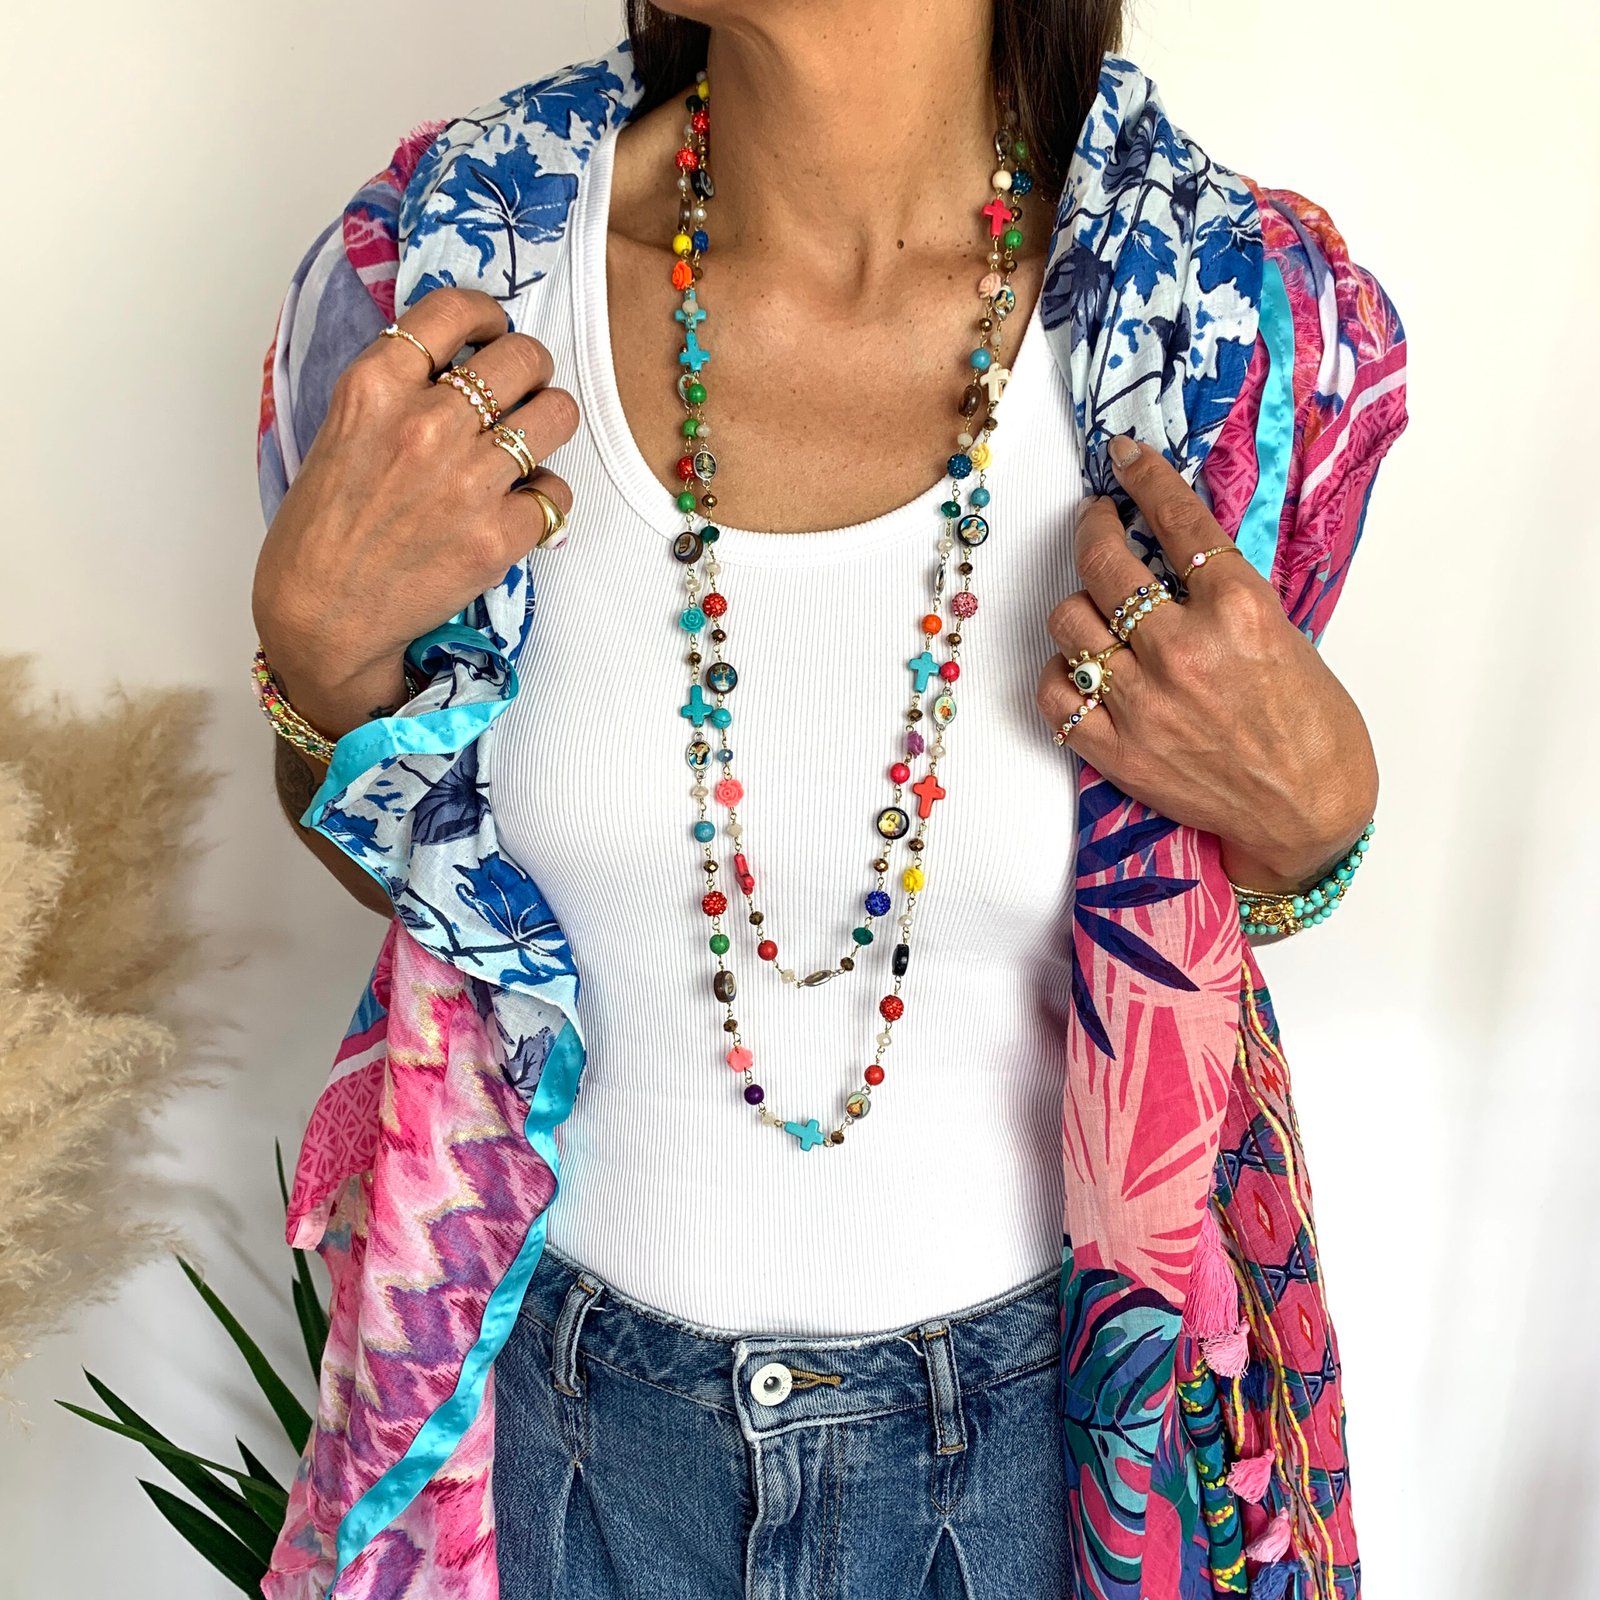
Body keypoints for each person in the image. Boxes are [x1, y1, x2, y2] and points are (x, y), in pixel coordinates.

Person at [251, 4, 1407, 1597]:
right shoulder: (443, 276)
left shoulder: (1229, 327)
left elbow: (1208, 895)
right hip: (551, 1456)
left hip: (1051, 1471)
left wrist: (1323, 821)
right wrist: (316, 671)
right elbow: (411, 876)